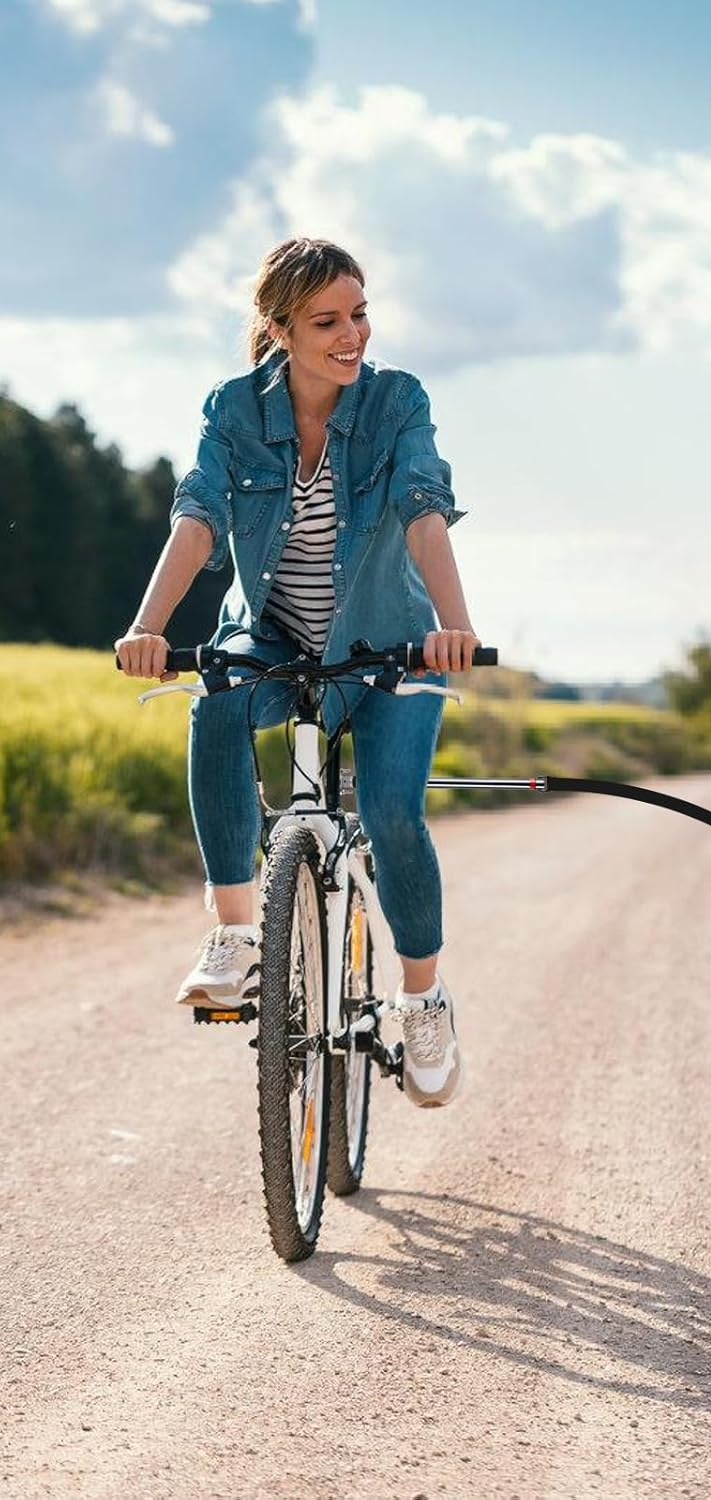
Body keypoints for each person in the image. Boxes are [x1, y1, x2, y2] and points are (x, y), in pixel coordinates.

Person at [115, 237, 478, 1108]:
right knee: (217, 704)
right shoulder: (235, 410)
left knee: (391, 813)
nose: (351, 334)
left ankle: (423, 997)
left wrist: (454, 626)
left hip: (391, 648)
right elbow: (199, 514)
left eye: (359, 313)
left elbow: (423, 509)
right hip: (274, 639)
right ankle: (239, 936)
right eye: (327, 321)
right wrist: (148, 625)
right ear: (278, 328)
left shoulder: (397, 402)